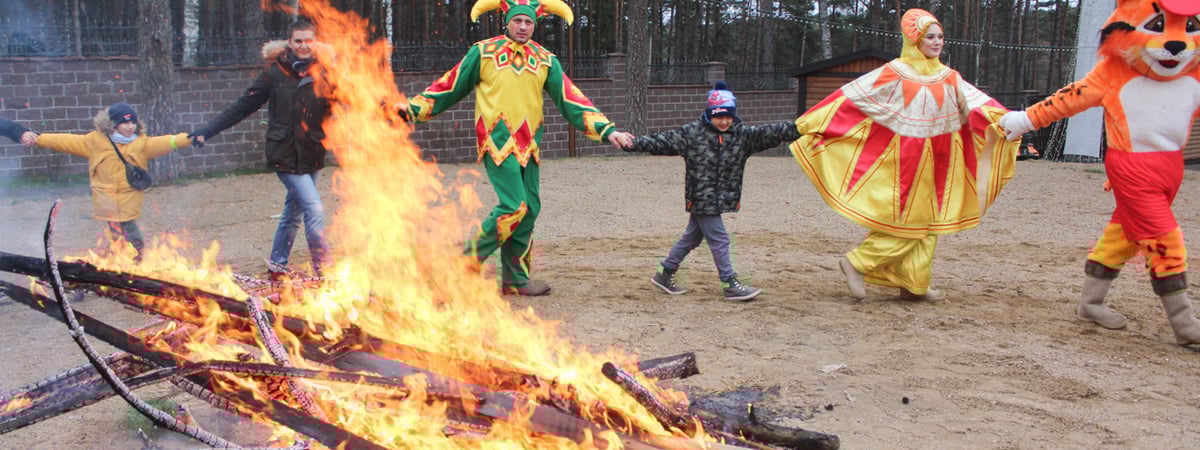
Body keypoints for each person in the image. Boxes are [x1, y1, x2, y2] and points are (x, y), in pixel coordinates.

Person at [398, 0, 635, 296]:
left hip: (530, 144)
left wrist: (607, 130)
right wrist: (410, 110)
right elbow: (449, 86)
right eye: (518, 21)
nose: (523, 27)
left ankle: (516, 279)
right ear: (507, 22)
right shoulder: (483, 52)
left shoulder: (545, 59)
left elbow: (572, 99)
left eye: (528, 23)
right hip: (497, 141)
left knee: (530, 208)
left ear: (535, 25)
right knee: (514, 207)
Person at [999, 0, 1200, 345]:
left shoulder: (1194, 72)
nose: (1176, 41)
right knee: (1164, 238)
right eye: (1156, 26)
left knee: (1122, 235)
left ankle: (1090, 303)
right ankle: (1185, 325)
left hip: (1171, 167)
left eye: (1190, 28)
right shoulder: (1113, 72)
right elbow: (1069, 98)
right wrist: (1024, 120)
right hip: (1132, 168)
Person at [790, 9, 1020, 301]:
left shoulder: (949, 77)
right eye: (930, 37)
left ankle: (913, 283)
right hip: (905, 161)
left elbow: (978, 104)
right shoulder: (894, 71)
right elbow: (854, 96)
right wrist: (812, 122)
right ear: (915, 40)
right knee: (911, 221)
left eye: (940, 37)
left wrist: (1008, 121)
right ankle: (858, 261)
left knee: (930, 221)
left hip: (939, 159)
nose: (937, 43)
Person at [623, 81, 799, 302]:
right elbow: (661, 141)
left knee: (692, 238)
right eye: (718, 116)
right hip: (701, 198)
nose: (724, 121)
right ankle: (729, 283)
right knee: (720, 239)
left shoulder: (742, 136)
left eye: (728, 116)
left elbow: (772, 132)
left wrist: (801, 127)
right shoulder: (691, 134)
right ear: (708, 114)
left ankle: (665, 273)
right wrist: (634, 144)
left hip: (720, 199)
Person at [190, 19, 333, 280]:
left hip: (312, 153)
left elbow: (356, 98)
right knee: (313, 209)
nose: (303, 45)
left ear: (316, 43)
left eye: (308, 40)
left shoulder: (325, 73)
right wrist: (207, 131)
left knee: (293, 212)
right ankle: (324, 271)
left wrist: (392, 111)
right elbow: (242, 106)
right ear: (289, 43)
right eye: (298, 40)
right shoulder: (274, 73)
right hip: (285, 154)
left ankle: (277, 266)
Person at [32, 102, 193, 261]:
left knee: (128, 225)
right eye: (125, 123)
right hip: (106, 197)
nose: (130, 127)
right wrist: (40, 139)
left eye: (132, 122)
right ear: (113, 125)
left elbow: (167, 142)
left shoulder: (141, 143)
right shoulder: (95, 141)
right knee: (114, 228)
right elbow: (65, 141)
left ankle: (137, 254)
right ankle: (120, 256)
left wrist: (186, 139)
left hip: (128, 195)